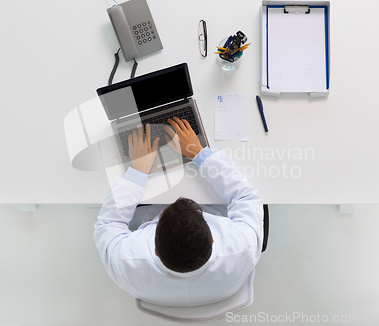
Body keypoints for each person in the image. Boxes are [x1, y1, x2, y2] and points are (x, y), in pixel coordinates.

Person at [94, 117, 264, 307]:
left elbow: (108, 224)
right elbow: (246, 197)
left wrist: (138, 170)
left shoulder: (127, 262)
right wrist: (197, 152)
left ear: (155, 250)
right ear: (213, 239)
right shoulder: (242, 248)